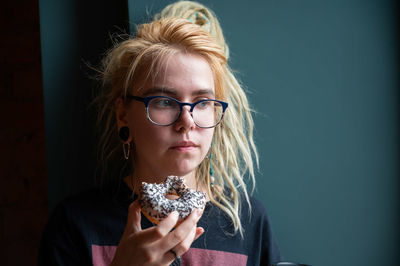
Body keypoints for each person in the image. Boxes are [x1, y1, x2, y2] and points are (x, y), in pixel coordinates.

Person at [38, 2, 282, 266]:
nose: (186, 122)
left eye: (202, 102)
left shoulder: (248, 222)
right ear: (123, 115)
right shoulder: (76, 225)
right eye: (164, 102)